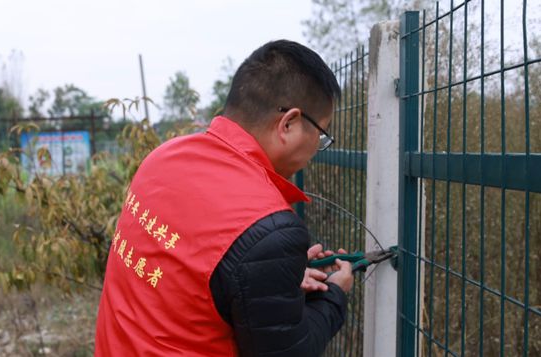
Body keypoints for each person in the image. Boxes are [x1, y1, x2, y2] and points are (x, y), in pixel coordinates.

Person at [95, 39, 353, 357]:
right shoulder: (266, 224)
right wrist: (335, 296)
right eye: (322, 133)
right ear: (289, 124)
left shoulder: (162, 158)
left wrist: (274, 279)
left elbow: (193, 273)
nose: (317, 147)